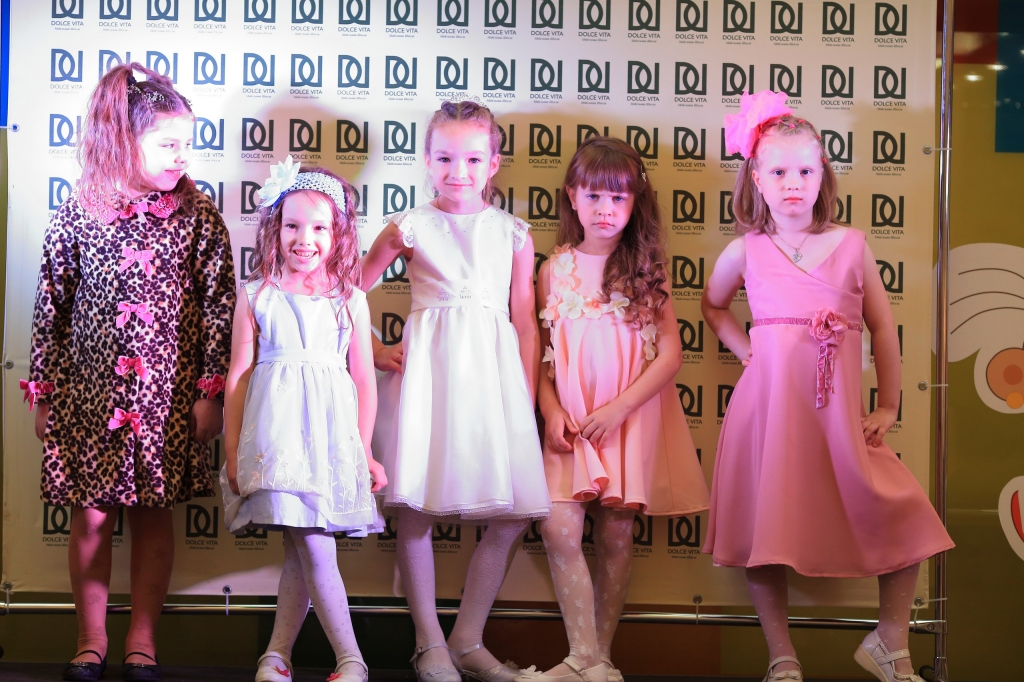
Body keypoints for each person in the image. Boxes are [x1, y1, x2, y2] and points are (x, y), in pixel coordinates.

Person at [701, 91, 954, 682]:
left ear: (822, 175)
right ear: (756, 178)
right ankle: (781, 657)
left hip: (837, 415)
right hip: (767, 414)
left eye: (805, 171)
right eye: (778, 172)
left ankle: (890, 642)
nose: (793, 183)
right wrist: (749, 351)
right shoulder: (744, 251)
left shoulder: (853, 246)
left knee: (906, 512)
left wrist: (887, 404)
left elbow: (883, 327)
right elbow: (713, 307)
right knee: (763, 528)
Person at [26, 63, 235, 681]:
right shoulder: (79, 210)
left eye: (187, 144)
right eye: (168, 144)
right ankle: (89, 639)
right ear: (124, 139)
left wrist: (210, 391)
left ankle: (142, 639)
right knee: (91, 517)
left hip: (166, 400)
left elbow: (220, 305)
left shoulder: (198, 214)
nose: (182, 156)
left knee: (152, 515)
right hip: (90, 398)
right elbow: (51, 304)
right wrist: (44, 391)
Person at [362, 100, 549, 682]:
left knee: (513, 513)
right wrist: (375, 350)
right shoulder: (409, 226)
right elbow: (347, 293)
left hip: (495, 382)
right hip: (429, 379)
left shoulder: (514, 234)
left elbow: (525, 321)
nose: (457, 171)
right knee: (416, 504)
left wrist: (523, 398)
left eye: (472, 159)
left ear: (493, 163)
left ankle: (467, 638)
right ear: (426, 159)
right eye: (444, 158)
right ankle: (429, 644)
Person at [520, 137, 711, 682]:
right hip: (571, 423)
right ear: (572, 197)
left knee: (615, 534)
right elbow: (542, 354)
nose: (606, 209)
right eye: (595, 196)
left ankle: (598, 659)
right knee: (559, 527)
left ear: (635, 203)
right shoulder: (553, 269)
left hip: (625, 421)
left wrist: (619, 409)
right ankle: (584, 655)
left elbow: (670, 354)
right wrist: (550, 409)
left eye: (619, 198)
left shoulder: (647, 268)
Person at [221, 158, 386, 682]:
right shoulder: (257, 295)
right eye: (292, 225)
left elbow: (364, 381)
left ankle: (295, 656)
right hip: (276, 442)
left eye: (319, 228)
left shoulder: (350, 301)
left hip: (330, 444)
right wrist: (231, 449)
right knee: (305, 540)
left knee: (307, 543)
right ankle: (331, 658)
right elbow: (239, 376)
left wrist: (363, 451)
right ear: (275, 226)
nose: (304, 239)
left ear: (338, 234)